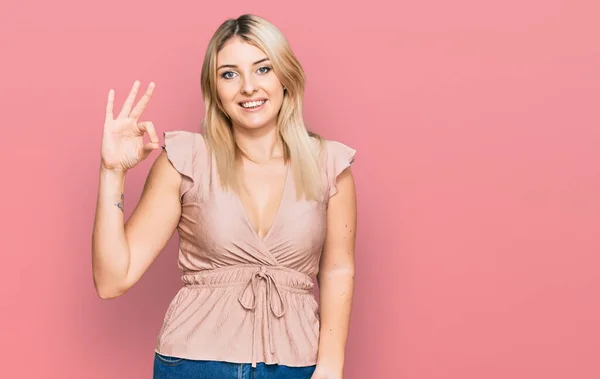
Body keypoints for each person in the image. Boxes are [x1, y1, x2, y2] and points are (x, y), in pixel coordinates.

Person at [92, 14, 357, 379]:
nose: (248, 87)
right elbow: (112, 279)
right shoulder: (186, 159)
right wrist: (111, 172)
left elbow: (338, 269)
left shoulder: (330, 164)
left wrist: (331, 365)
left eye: (263, 69)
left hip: (296, 365)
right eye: (229, 74)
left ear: (286, 77)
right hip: (194, 363)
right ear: (214, 89)